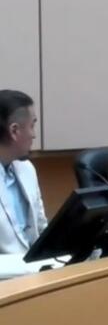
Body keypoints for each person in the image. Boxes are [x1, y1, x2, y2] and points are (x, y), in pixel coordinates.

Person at [0, 90, 48, 278]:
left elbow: (42, 228)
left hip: (36, 277)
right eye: (32, 125)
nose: (34, 135)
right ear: (14, 131)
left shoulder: (27, 170)